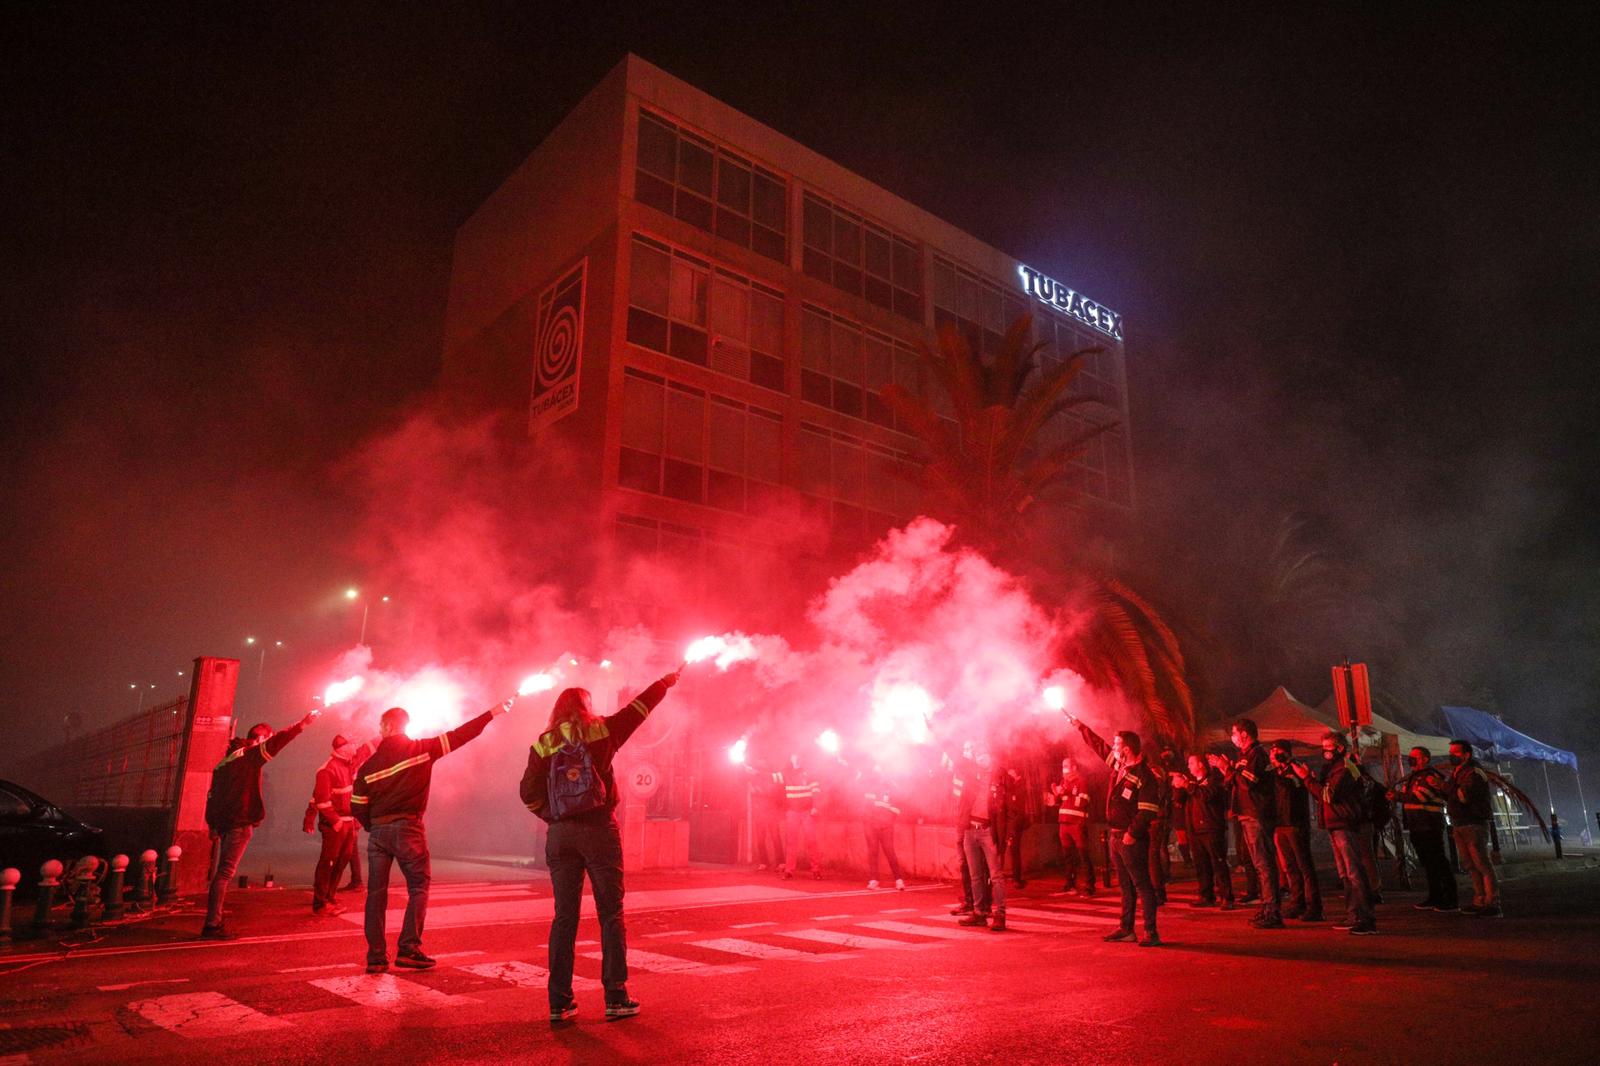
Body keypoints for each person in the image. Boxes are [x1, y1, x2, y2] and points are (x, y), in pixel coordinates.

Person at [520, 672, 678, 1024]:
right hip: (598, 830)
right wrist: (665, 682)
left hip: (561, 835)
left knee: (564, 917)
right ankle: (615, 997)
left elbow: (528, 793)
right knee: (610, 913)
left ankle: (559, 1002)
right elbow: (640, 708)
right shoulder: (603, 730)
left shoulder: (543, 744)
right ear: (586, 708)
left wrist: (553, 816)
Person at [353, 697, 514, 974]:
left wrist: (374, 826)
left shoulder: (368, 767)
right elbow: (462, 734)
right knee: (418, 887)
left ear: (387, 726)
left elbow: (357, 805)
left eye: (381, 726)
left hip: (378, 832)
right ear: (405, 725)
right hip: (409, 828)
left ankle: (376, 957)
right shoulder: (423, 750)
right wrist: (492, 713)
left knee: (376, 895)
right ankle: (408, 948)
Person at [201, 710, 319, 939]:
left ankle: (213, 921)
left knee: (221, 873)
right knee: (224, 874)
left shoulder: (229, 758)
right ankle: (212, 924)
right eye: (267, 738)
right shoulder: (249, 755)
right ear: (260, 738)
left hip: (227, 823)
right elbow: (277, 743)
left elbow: (213, 795)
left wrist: (213, 825)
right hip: (239, 822)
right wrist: (302, 724)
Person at [1066, 714, 1161, 947]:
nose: (1114, 748)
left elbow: (1147, 810)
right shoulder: (1120, 766)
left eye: (1117, 744)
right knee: (1126, 886)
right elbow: (1100, 746)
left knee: (1142, 885)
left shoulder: (1144, 776)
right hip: (1115, 836)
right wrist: (1080, 726)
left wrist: (1131, 834)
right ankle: (1126, 929)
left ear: (1127, 749)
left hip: (1131, 839)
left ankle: (1151, 931)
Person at [1292, 732, 1377, 934]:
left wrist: (1306, 779)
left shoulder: (1345, 768)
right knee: (1345, 875)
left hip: (1345, 824)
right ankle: (1353, 915)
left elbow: (1328, 795)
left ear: (1340, 747)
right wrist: (1312, 779)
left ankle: (1366, 919)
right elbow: (1324, 793)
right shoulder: (1333, 769)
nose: (1325, 752)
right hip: (1335, 824)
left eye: (1328, 747)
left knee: (1354, 872)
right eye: (1323, 747)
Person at [1213, 718, 1282, 929]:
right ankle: (1267, 907)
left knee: (1265, 865)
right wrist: (1227, 771)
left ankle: (1272, 911)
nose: (1232, 738)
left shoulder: (1257, 755)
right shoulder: (1245, 756)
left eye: (1234, 733)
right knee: (1259, 865)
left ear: (1244, 734)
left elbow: (1246, 782)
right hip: (1246, 814)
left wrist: (1227, 769)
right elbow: (1232, 782)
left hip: (1257, 815)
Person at [309, 733, 377, 916]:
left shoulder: (348, 764)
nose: (355, 748)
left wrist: (387, 735)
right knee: (328, 863)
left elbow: (366, 750)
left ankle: (330, 897)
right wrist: (335, 821)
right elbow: (321, 800)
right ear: (344, 748)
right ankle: (320, 903)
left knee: (341, 861)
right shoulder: (327, 770)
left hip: (348, 824)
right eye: (352, 745)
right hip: (336, 825)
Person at [1388, 746, 1457, 911]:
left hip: (1430, 824)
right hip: (1417, 825)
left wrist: (1397, 796)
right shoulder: (1413, 777)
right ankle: (1435, 896)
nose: (1411, 759)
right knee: (1428, 863)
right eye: (1410, 756)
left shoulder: (1430, 776)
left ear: (1425, 759)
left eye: (1415, 757)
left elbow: (1421, 796)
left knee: (1438, 862)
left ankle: (1450, 899)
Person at [1445, 739, 1501, 917]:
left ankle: (1492, 903)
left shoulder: (1473, 773)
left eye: (1455, 752)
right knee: (1470, 865)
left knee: (1481, 863)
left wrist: (1445, 787)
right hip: (1460, 823)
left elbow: (1464, 796)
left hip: (1473, 823)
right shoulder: (1457, 773)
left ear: (1466, 755)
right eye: (1451, 752)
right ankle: (1480, 899)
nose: (1451, 756)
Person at [1268, 740, 1323, 921]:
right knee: (1289, 867)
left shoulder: (1296, 770)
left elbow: (1290, 787)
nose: (1275, 754)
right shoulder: (1274, 773)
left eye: (1278, 751)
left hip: (1295, 824)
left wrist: (1287, 763)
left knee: (1304, 866)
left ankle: (1314, 906)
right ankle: (1296, 902)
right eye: (1273, 751)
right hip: (1279, 825)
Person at [1172, 753, 1233, 909]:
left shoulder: (1213, 780)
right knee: (1201, 865)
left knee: (1218, 864)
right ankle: (1206, 895)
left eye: (1192, 763)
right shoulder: (1192, 782)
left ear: (1201, 765)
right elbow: (1179, 801)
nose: (1189, 766)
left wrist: (1186, 785)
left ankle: (1227, 897)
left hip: (1211, 828)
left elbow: (1205, 795)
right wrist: (1177, 786)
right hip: (1194, 830)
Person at [957, 749, 1007, 931]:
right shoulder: (972, 775)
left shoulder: (1000, 778)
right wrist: (935, 728)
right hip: (970, 831)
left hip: (988, 832)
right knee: (975, 875)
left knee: (995, 875)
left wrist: (1005, 836)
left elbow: (1008, 810)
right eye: (979, 756)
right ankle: (979, 914)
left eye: (984, 754)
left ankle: (1000, 914)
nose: (981, 758)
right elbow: (955, 754)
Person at [940, 738, 990, 917]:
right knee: (965, 865)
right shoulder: (961, 773)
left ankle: (982, 905)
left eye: (970, 749)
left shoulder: (975, 771)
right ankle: (972, 902)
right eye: (965, 748)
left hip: (971, 825)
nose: (966, 752)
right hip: (961, 823)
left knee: (977, 866)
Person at [1045, 756, 1096, 896]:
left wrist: (1067, 792)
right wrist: (1055, 796)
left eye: (1066, 765)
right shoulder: (1064, 782)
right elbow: (1060, 802)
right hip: (1064, 824)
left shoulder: (1081, 782)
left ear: (1074, 767)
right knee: (1068, 856)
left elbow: (1083, 801)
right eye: (1062, 766)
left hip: (1077, 824)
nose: (1064, 769)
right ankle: (1070, 883)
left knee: (1083, 855)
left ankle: (1089, 885)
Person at [858, 761, 906, 890]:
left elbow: (897, 806)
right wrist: (867, 820)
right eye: (875, 770)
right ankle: (874, 880)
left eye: (879, 770)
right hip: (871, 825)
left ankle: (898, 879)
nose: (877, 773)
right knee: (872, 852)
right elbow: (865, 804)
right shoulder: (869, 785)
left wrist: (889, 820)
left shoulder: (892, 787)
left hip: (885, 826)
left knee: (890, 852)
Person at [775, 754, 823, 879]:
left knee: (811, 841)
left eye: (799, 756)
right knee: (791, 842)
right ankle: (789, 870)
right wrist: (754, 772)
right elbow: (771, 777)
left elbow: (816, 791)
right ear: (791, 759)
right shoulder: (786, 773)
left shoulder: (809, 773)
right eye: (794, 756)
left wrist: (815, 806)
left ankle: (816, 870)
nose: (797, 759)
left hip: (807, 812)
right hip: (792, 811)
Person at [995, 765, 1029, 889]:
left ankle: (1016, 878)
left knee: (1013, 850)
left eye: (1011, 774)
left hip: (1014, 823)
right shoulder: (1006, 787)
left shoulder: (1018, 786)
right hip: (1007, 823)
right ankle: (1001, 876)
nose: (1008, 777)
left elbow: (1016, 807)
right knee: (1002, 850)